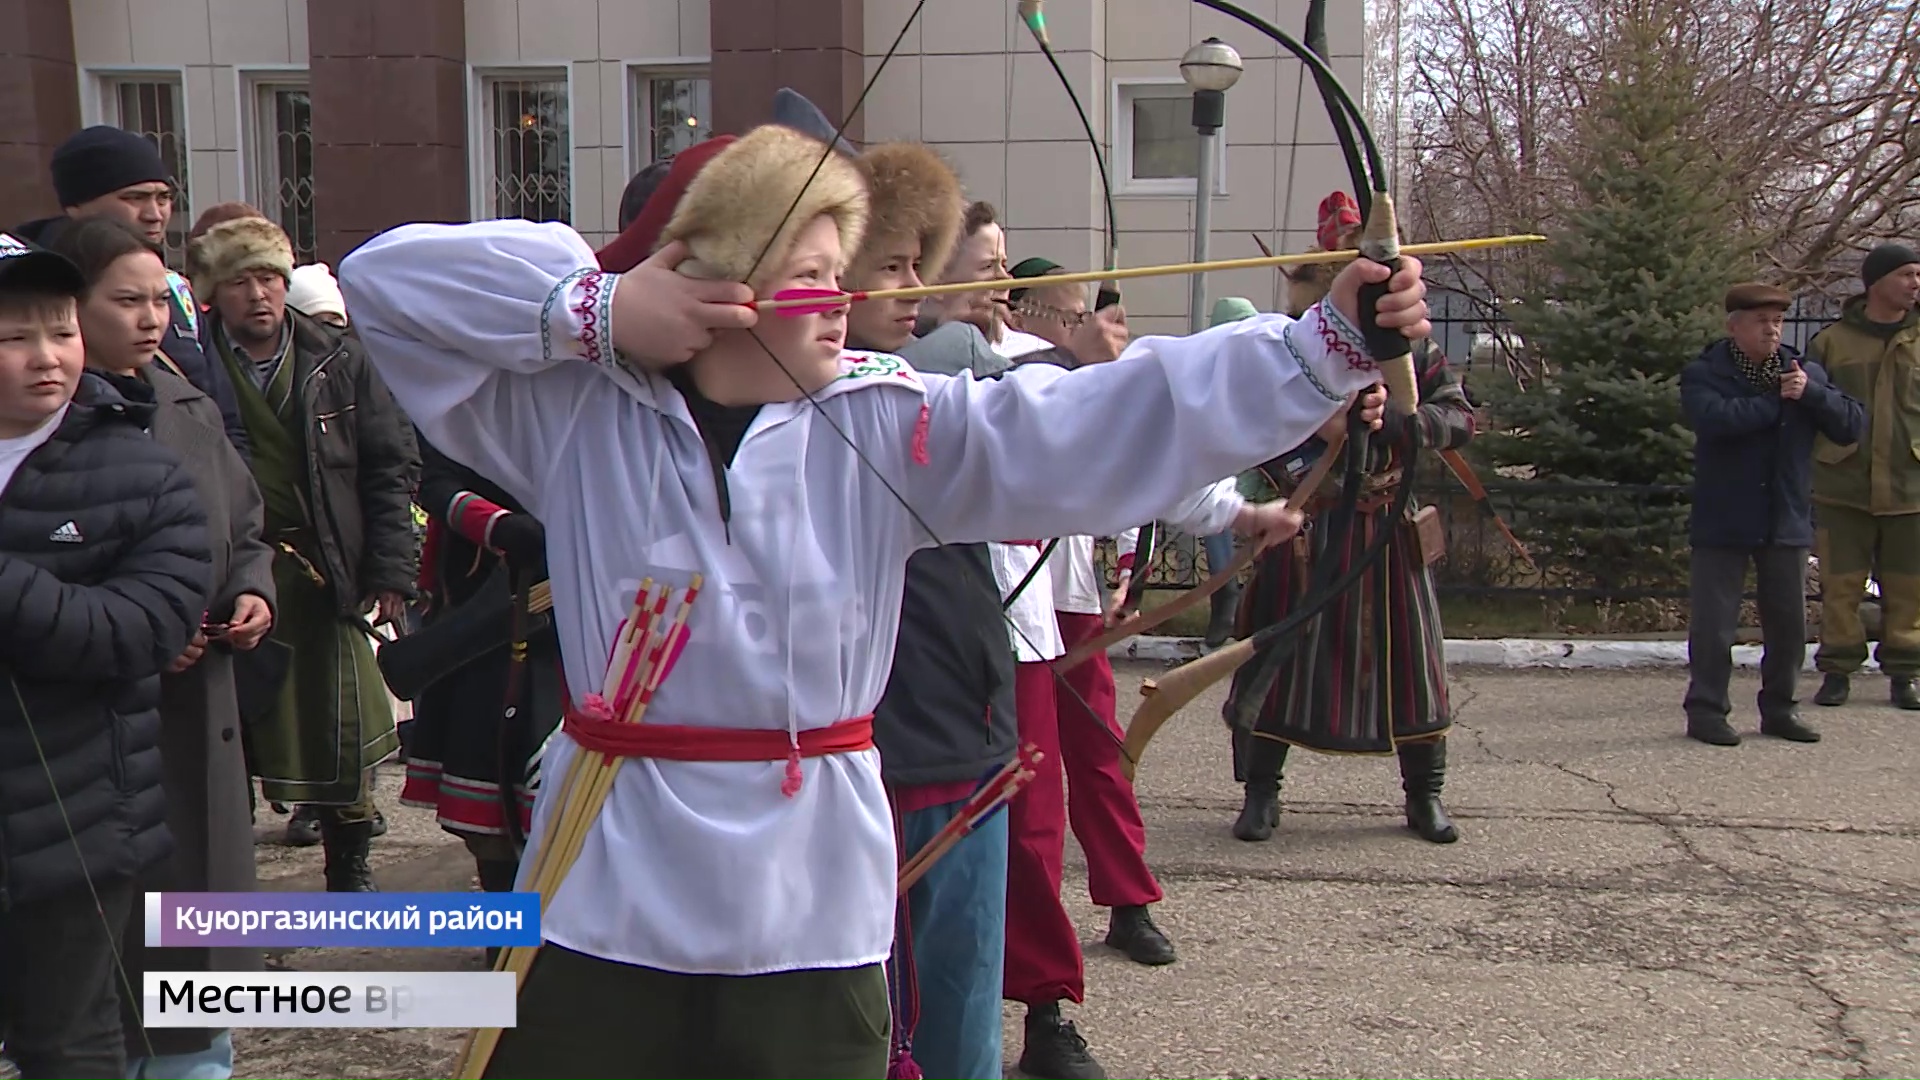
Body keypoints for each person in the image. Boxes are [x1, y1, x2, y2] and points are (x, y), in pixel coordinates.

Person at [335, 120, 1426, 1076]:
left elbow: (1094, 426)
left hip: (808, 910)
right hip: (603, 887)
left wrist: (1319, 349)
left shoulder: (893, 423)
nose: (849, 299)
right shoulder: (577, 415)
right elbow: (384, 284)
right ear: (712, 283)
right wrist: (604, 304)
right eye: (814, 269)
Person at [45, 215, 280, 1080]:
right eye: (126, 301)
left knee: (195, 928)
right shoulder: (44, 422)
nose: (149, 318)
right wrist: (145, 629)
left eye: (159, 299)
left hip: (198, 709)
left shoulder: (183, 400)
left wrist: (251, 590)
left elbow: (245, 521)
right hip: (96, 725)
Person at [0, 231, 212, 1080]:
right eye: (13, 339)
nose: (45, 358)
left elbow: (142, 630)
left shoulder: (144, 473)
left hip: (76, 825)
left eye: (60, 331)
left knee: (70, 1046)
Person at [1223, 193, 1474, 847]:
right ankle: (1261, 795)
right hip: (1308, 524)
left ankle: (1425, 797)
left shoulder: (1412, 349)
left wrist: (1406, 422)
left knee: (1412, 663)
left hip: (1385, 527)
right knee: (1279, 658)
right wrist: (1320, 427)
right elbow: (1257, 425)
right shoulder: (1292, 341)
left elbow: (1461, 416)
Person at [188, 215, 419, 891]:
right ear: (213, 293)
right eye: (239, 282)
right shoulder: (195, 366)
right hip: (233, 569)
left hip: (325, 568)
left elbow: (386, 466)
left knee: (338, 722)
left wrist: (391, 570)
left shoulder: (339, 358)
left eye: (267, 278)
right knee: (238, 730)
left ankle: (350, 864)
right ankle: (232, 883)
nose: (257, 295)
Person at [1679, 282, 1864, 745]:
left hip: (1785, 516)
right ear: (1735, 326)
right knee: (1714, 624)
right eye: (1761, 322)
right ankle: (1706, 711)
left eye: (1778, 322)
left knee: (1788, 624)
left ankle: (1780, 708)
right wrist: (1774, 402)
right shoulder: (1706, 372)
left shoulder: (1801, 372)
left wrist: (1812, 395)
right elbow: (1715, 420)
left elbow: (1851, 425)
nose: (1772, 330)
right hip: (1724, 516)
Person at [12, 126, 249, 458]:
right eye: (134, 198)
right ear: (77, 205)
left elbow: (225, 418)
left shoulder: (178, 291)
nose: (154, 214)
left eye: (164, 198)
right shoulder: (25, 292)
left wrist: (231, 492)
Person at [400, 435, 561, 913]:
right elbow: (434, 480)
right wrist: (500, 527)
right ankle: (507, 945)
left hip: (598, 619)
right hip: (493, 612)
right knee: (492, 811)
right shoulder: (466, 391)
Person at [1809, 243, 1920, 709]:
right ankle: (1838, 670)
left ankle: (1905, 673)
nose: (1915, 284)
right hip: (1843, 487)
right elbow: (1811, 409)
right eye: (1907, 274)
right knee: (1840, 588)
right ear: (1876, 282)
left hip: (1910, 487)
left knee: (1909, 589)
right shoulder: (1832, 342)